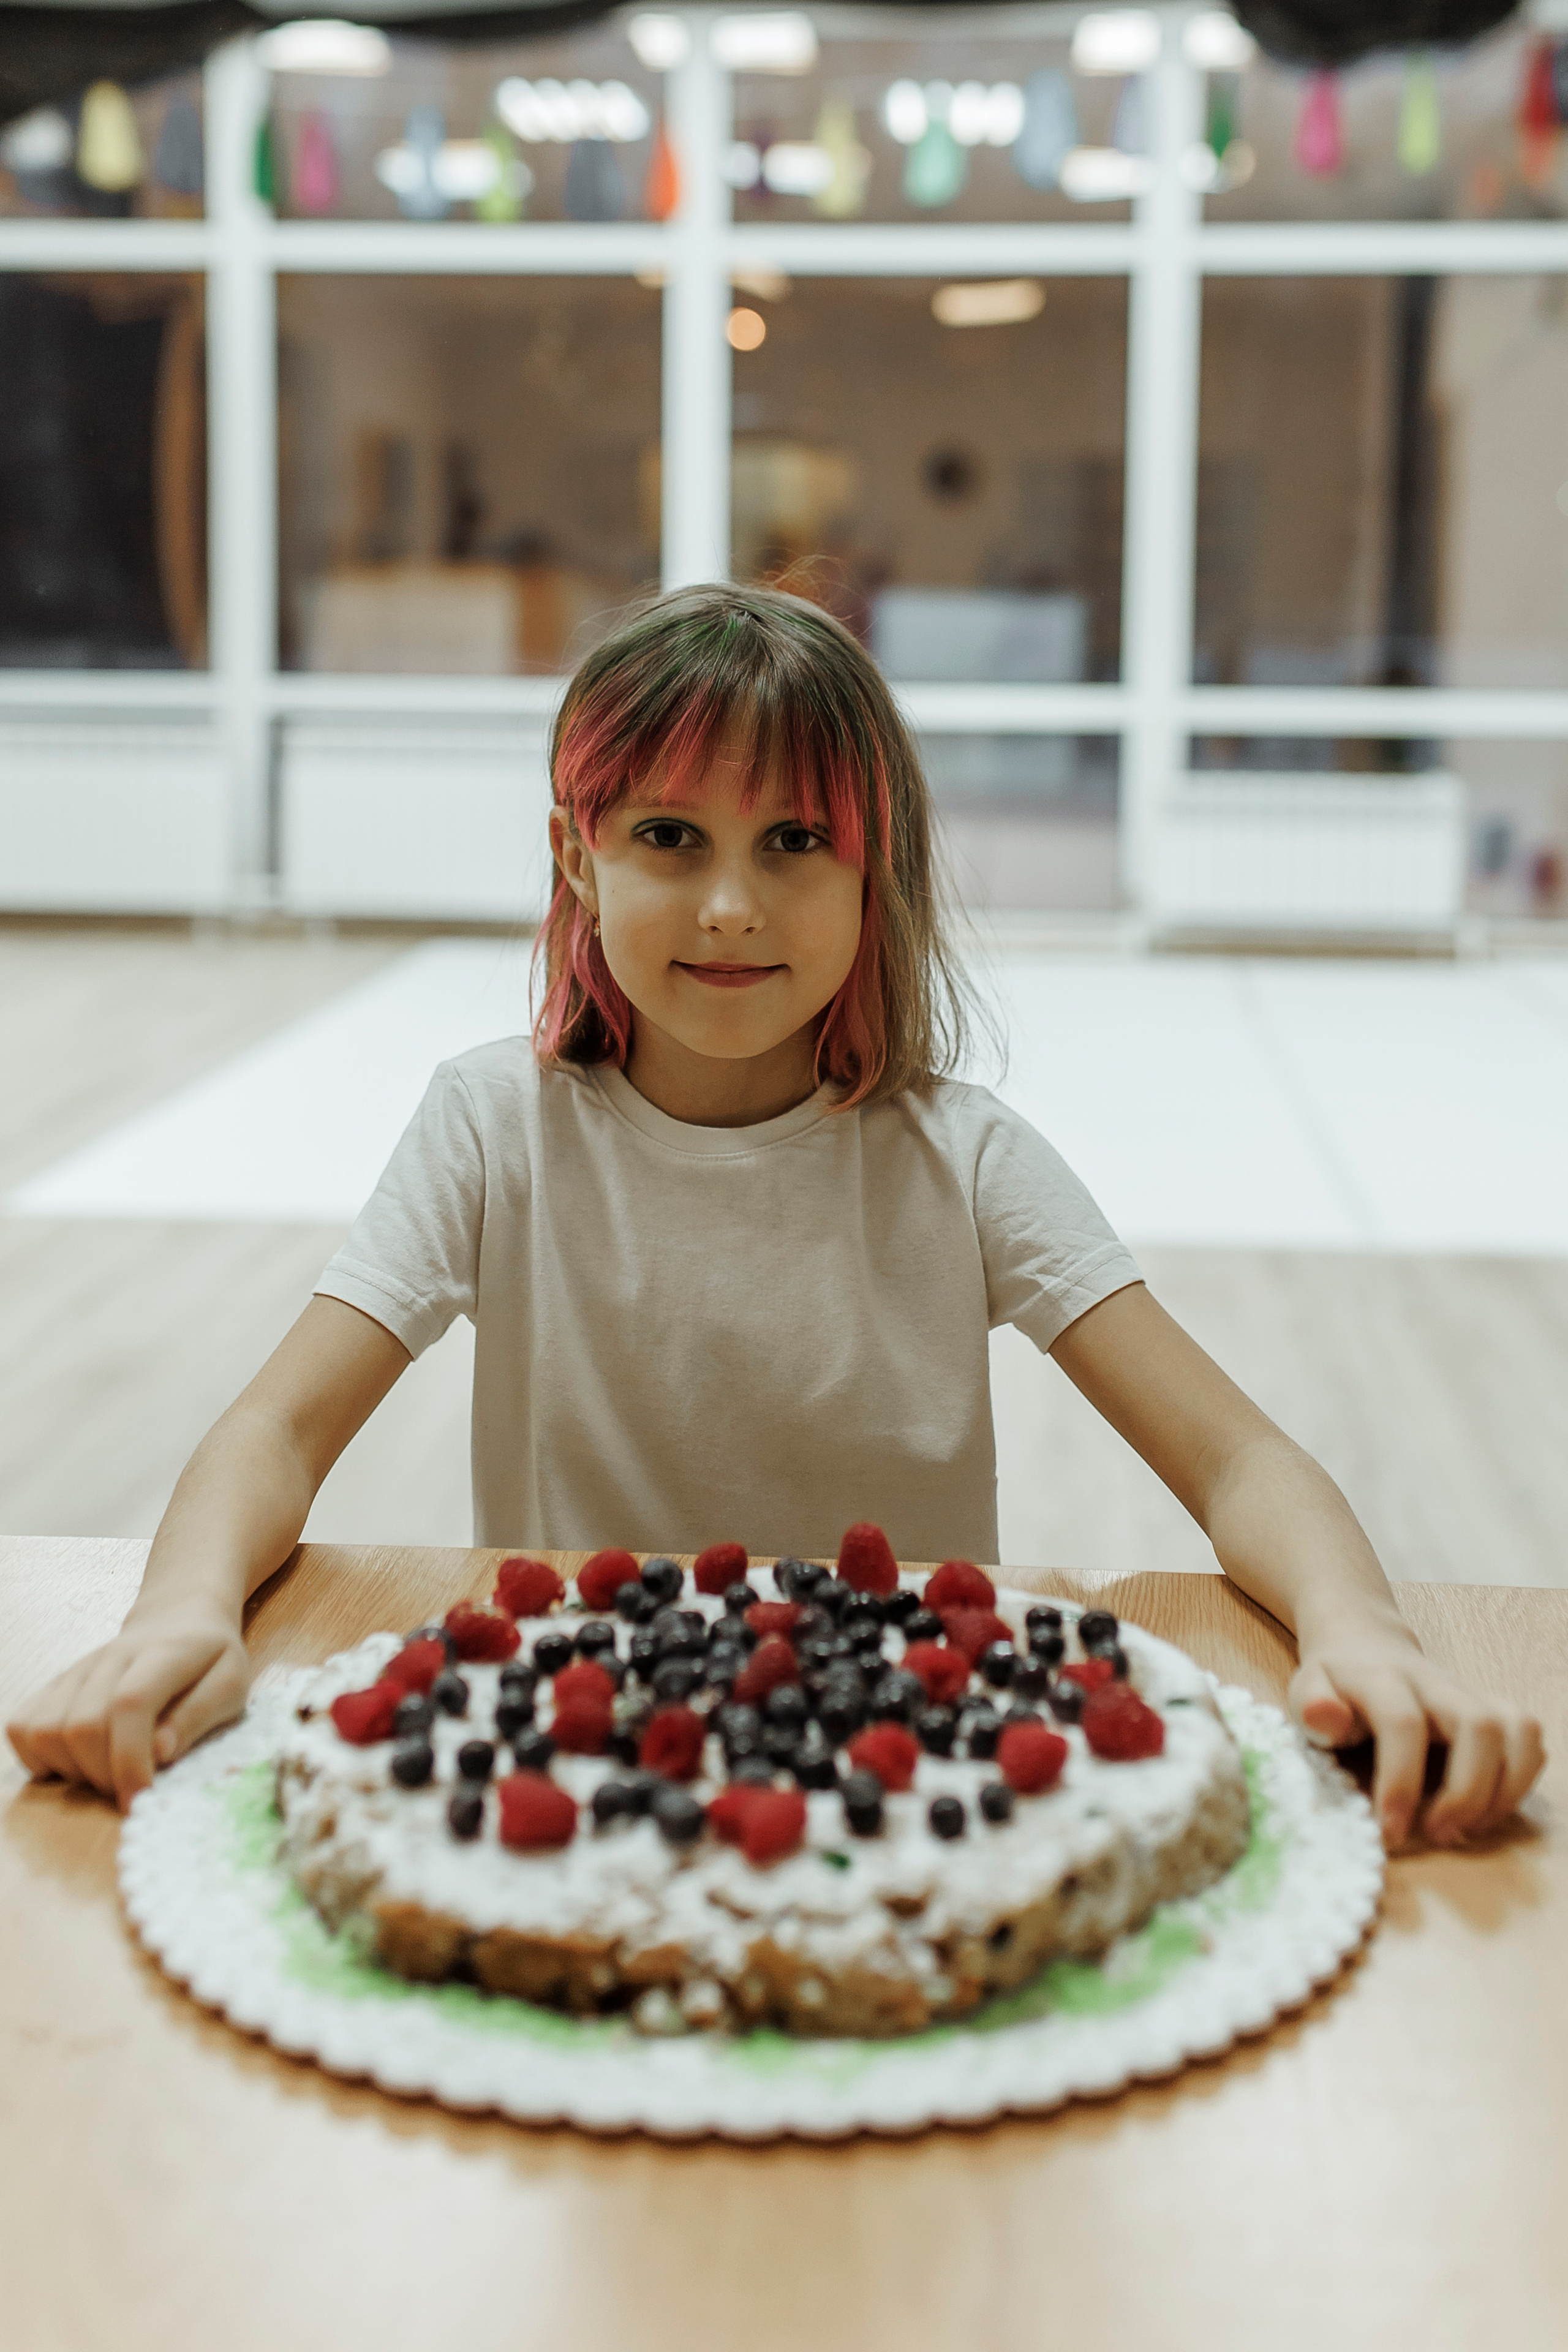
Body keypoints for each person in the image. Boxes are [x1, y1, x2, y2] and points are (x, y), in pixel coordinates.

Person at [7, 584, 1544, 1849]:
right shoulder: (492, 1129)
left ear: (875, 875)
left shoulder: (965, 1160)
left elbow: (1239, 1454)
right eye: (669, 839)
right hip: (583, 1769)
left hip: (903, 1782)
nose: (730, 905)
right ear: (576, 857)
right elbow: (275, 1430)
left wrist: (1366, 1632)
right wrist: (182, 1612)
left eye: (792, 843)